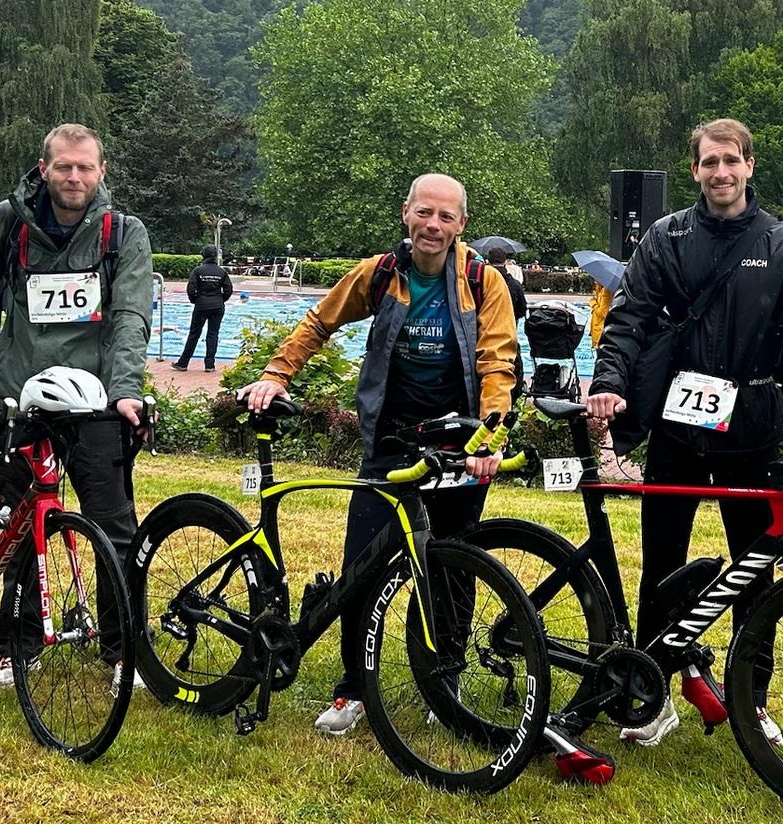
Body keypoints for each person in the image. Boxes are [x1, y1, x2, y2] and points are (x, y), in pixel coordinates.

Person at [237, 173, 518, 738]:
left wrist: (489, 437)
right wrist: (275, 374)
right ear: (406, 214)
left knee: (454, 568)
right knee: (361, 567)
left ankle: (446, 677)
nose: (433, 226)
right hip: (389, 440)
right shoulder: (382, 273)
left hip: (458, 444)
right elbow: (320, 321)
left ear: (462, 224)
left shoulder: (483, 283)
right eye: (424, 213)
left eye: (445, 217)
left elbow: (497, 363)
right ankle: (353, 688)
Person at [586, 118, 783, 747]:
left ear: (750, 165)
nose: (720, 173)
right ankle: (654, 691)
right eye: (708, 163)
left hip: (753, 426)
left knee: (756, 570)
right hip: (679, 423)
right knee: (662, 563)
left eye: (731, 161)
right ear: (695, 170)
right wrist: (608, 382)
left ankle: (751, 698)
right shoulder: (668, 237)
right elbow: (630, 318)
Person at [0, 124, 154, 689]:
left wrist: (126, 389)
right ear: (44, 168)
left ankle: (122, 652)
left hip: (95, 401)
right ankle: (17, 648)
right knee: (21, 527)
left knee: (115, 530)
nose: (74, 177)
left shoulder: (122, 233)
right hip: (20, 398)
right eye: (63, 167)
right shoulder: (9, 223)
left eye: (85, 168)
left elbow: (131, 316)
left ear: (102, 172)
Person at [174, 245, 234, 371]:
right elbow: (229, 289)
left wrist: (195, 300)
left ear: (203, 255)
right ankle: (210, 365)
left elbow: (191, 289)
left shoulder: (198, 271)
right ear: (216, 256)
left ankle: (183, 363)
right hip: (217, 306)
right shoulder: (221, 272)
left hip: (201, 305)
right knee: (213, 334)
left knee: (194, 334)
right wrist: (221, 299)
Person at [486, 246, 529, 324]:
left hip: (485, 327)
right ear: (505, 262)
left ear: (488, 261)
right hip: (508, 327)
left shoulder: (481, 281)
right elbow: (522, 309)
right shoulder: (515, 284)